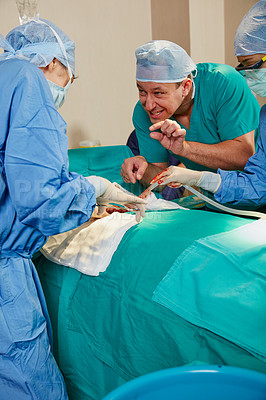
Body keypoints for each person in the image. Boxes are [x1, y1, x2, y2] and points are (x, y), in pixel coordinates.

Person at [0, 18, 145, 399]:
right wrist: (93, 190)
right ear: (51, 61)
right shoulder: (25, 81)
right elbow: (41, 196)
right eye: (70, 77)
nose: (66, 87)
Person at [149, 0, 266, 210]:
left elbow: (243, 156)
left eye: (253, 66)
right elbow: (258, 185)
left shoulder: (221, 82)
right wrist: (202, 179)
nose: (249, 77)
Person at [120, 39, 260, 190]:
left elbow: (244, 156)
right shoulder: (143, 113)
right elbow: (160, 182)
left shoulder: (223, 83)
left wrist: (185, 149)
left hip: (257, 188)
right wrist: (143, 168)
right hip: (215, 196)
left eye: (158, 93)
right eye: (142, 91)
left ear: (185, 86)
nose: (149, 105)